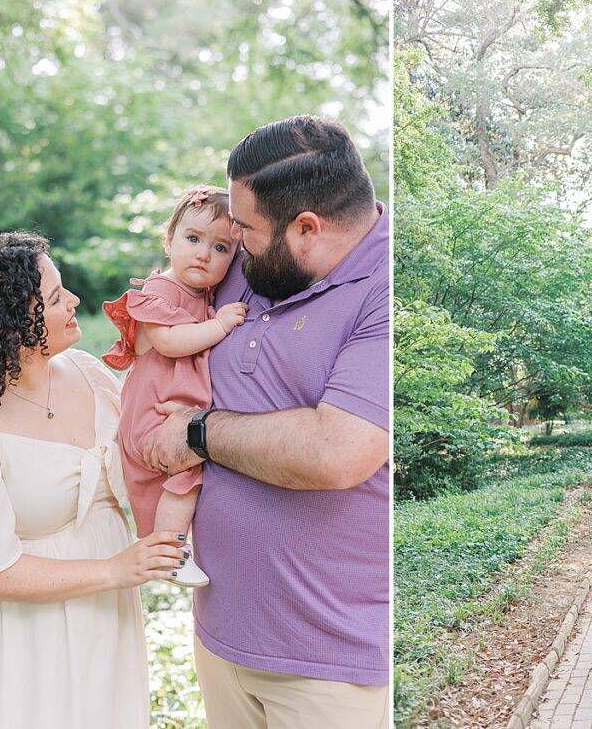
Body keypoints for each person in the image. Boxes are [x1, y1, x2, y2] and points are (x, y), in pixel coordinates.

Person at [141, 115, 390, 729]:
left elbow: (338, 451)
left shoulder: (385, 289)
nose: (233, 247)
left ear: (306, 227)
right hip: (219, 636)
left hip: (331, 665)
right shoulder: (245, 265)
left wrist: (198, 431)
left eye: (246, 232)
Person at [0, 232, 185, 729]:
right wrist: (115, 570)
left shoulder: (88, 373)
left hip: (104, 620)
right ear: (13, 329)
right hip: (18, 637)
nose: (74, 300)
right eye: (55, 297)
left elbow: (143, 460)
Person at [102, 185, 247, 587]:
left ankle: (161, 545)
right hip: (152, 413)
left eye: (221, 249)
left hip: (163, 410)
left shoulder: (198, 294)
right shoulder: (159, 291)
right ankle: (169, 553)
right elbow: (168, 342)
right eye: (193, 239)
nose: (204, 253)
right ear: (169, 240)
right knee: (186, 475)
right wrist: (218, 325)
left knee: (172, 483)